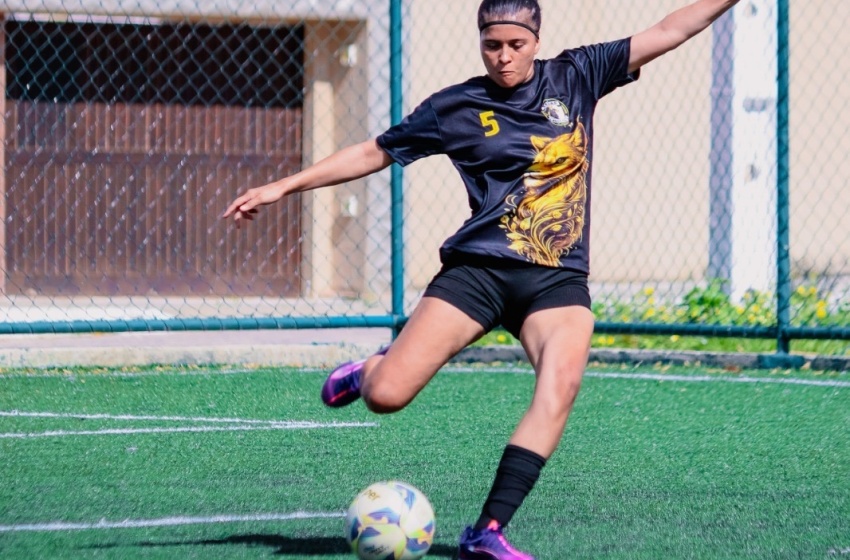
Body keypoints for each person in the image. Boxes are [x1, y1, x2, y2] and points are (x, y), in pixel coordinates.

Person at [223, 1, 740, 558]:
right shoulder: (456, 107)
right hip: (479, 272)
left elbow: (673, 28)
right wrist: (283, 186)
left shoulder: (578, 75)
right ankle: (370, 370)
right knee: (387, 397)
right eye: (492, 45)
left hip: (556, 281)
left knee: (560, 386)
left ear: (535, 40)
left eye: (515, 45)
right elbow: (374, 152)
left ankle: (487, 532)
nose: (503, 56)